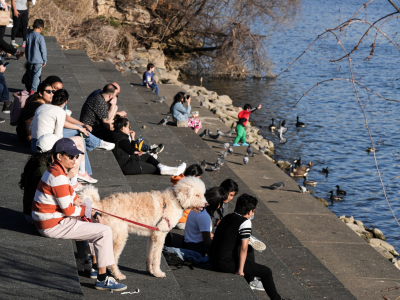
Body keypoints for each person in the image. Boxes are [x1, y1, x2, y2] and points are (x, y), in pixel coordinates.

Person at [32, 138, 127, 292]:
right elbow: (69, 211)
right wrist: (89, 214)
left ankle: (95, 267)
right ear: (58, 157)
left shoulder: (58, 171)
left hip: (49, 220)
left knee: (94, 222)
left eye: (76, 157)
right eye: (70, 156)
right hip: (51, 224)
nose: (74, 160)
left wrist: (94, 213)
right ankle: (102, 279)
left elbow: (76, 200)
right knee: (105, 231)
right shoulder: (58, 177)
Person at [209, 194, 287, 300]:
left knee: (250, 248)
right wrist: (240, 270)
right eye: (253, 211)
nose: (253, 214)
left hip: (213, 259)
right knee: (266, 272)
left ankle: (249, 278)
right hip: (224, 263)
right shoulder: (245, 222)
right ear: (250, 211)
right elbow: (243, 248)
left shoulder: (228, 217)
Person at [30, 89, 97, 190]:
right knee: (79, 140)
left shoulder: (41, 107)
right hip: (46, 144)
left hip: (34, 143)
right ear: (66, 101)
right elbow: (58, 135)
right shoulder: (60, 111)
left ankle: (81, 174)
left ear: (53, 97)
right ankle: (79, 176)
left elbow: (31, 127)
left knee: (79, 137)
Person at [110, 115, 185, 175]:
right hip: (127, 166)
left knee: (147, 156)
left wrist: (135, 152)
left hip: (127, 160)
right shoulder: (121, 139)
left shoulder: (116, 134)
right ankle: (173, 171)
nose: (129, 128)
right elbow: (131, 151)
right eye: (128, 127)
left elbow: (125, 149)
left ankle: (163, 167)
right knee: (153, 168)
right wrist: (132, 138)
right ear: (123, 128)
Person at [184, 187, 227, 256]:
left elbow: (205, 232)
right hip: (195, 246)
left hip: (189, 240)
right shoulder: (204, 216)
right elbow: (207, 242)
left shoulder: (199, 207)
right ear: (217, 203)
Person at [171, 164, 204, 230]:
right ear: (194, 175)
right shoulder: (186, 187)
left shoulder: (180, 181)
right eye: (198, 178)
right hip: (181, 220)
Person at [26, 19, 47, 94]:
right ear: (41, 28)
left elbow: (26, 48)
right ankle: (34, 90)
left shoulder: (28, 35)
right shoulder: (40, 37)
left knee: (31, 74)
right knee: (36, 75)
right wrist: (44, 60)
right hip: (38, 60)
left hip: (30, 59)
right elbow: (43, 50)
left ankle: (32, 87)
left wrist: (27, 57)